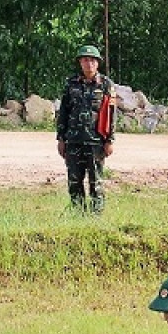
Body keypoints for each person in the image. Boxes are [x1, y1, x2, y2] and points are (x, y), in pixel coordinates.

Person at [55, 45, 116, 213]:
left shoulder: (106, 85)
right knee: (74, 181)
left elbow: (111, 114)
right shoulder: (71, 84)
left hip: (96, 141)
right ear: (80, 63)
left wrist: (109, 140)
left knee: (95, 182)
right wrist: (61, 138)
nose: (89, 63)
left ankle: (96, 216)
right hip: (74, 140)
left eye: (92, 60)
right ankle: (78, 214)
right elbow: (64, 113)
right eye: (85, 60)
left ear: (97, 63)